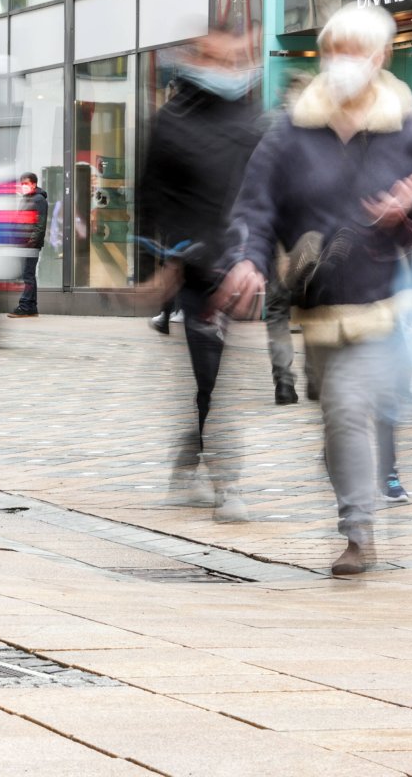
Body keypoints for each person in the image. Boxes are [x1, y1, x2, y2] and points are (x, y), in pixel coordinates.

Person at [216, 3, 412, 575]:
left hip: (392, 304)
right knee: (338, 422)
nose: (341, 62)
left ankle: (358, 534)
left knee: (348, 405)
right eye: (333, 50)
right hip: (321, 309)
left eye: (353, 50)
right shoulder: (292, 132)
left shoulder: (409, 123)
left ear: (379, 58)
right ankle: (358, 496)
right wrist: (246, 261)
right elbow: (255, 208)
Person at [140, 28, 263, 522]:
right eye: (216, 58)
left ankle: (187, 463)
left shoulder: (254, 121)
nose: (229, 68)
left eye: (236, 57)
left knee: (226, 378)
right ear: (195, 60)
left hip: (246, 266)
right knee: (211, 373)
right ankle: (227, 478)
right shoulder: (170, 123)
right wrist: (160, 262)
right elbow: (151, 198)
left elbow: (268, 193)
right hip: (195, 267)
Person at [8, 172, 48, 318]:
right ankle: (31, 307)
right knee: (28, 275)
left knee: (28, 275)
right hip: (22, 243)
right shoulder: (25, 199)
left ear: (34, 184)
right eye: (22, 184)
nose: (23, 186)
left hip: (30, 245)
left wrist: (31, 242)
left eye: (26, 184)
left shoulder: (39, 200)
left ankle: (25, 306)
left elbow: (40, 224)